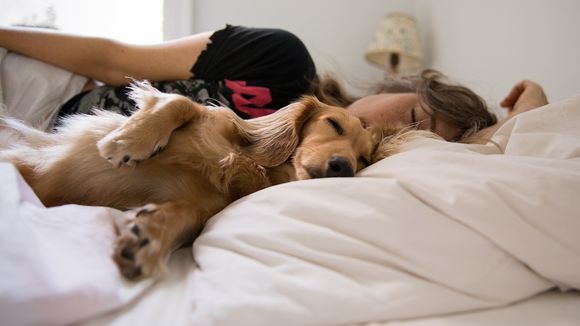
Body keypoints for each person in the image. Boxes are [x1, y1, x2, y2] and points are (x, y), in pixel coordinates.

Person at [0, 24, 548, 144]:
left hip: (49, 149)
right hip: (51, 93)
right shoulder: (278, 58)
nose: (389, 130)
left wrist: (532, 110)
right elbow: (116, 58)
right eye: (410, 116)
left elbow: (496, 157)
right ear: (396, 84)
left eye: (417, 138)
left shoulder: (326, 164)